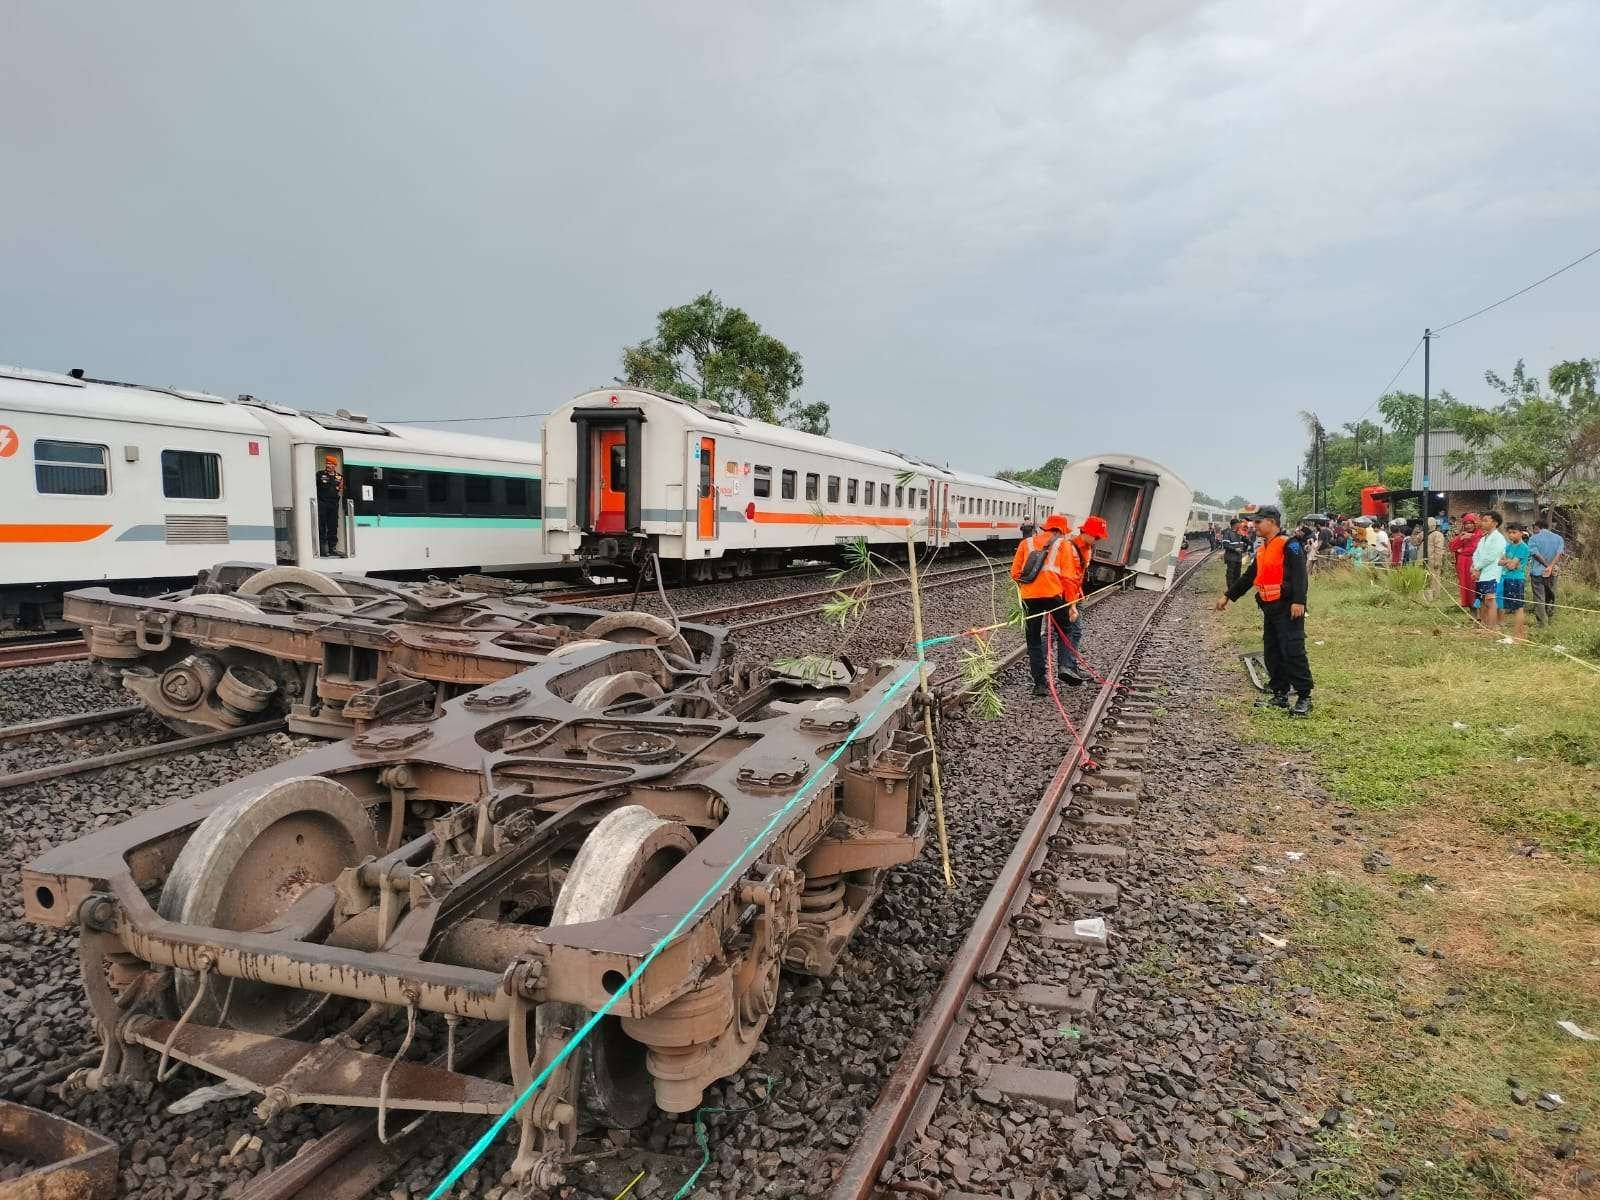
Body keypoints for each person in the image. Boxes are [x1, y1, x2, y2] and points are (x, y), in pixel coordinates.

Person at [1216, 505, 1313, 716]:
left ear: (1272, 522)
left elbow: (1300, 574)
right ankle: (1280, 694)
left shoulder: (1290, 544)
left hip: (1288, 608)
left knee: (1293, 651)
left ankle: (1304, 696)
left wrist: (1299, 601)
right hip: (1270, 608)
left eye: (1258, 522)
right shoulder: (1262, 549)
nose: (1254, 525)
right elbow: (1249, 577)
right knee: (1272, 651)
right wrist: (1228, 596)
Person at [1010, 514, 1078, 696]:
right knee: (1065, 630)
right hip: (1053, 596)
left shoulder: (1026, 543)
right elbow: (1069, 578)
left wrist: (1029, 587)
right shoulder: (1064, 544)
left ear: (1046, 528)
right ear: (1061, 531)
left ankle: (1040, 684)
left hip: (1029, 598)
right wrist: (1071, 605)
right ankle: (1065, 666)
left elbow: (1015, 573)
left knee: (1033, 639)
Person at [1059, 515, 1108, 669]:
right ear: (1086, 532)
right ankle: (1062, 667)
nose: (1097, 540)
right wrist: (1072, 604)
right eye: (1096, 537)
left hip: (1075, 594)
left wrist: (1079, 595)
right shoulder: (1069, 547)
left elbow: (1079, 576)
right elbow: (1068, 577)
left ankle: (1070, 667)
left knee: (1075, 632)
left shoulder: (1088, 549)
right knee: (1059, 633)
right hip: (1065, 595)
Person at [1470, 510, 1507, 629]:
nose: (1483, 523)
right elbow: (1476, 554)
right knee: (1482, 600)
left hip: (1491, 573)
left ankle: (1491, 627)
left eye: (1486, 521)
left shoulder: (1498, 538)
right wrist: (1474, 568)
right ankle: (1484, 625)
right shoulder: (1483, 538)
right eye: (1482, 520)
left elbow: (1491, 557)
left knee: (1490, 600)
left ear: (1495, 523)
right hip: (1481, 573)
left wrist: (1477, 568)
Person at [1527, 519, 1565, 625]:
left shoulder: (1533, 538)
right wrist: (1551, 567)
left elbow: (1536, 554)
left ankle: (1542, 623)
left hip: (1538, 573)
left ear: (1537, 527)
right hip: (1553, 572)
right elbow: (1559, 554)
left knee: (1539, 597)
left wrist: (1547, 566)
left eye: (1534, 528)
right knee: (1551, 594)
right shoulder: (1558, 538)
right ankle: (1550, 616)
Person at [1499, 523, 1531, 641]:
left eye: (1514, 532)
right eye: (1509, 533)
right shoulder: (1508, 546)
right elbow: (1499, 561)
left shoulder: (1523, 547)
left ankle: (1519, 635)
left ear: (1521, 533)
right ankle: (1516, 633)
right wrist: (1509, 562)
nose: (1511, 535)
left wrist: (1508, 562)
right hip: (1506, 577)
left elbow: (1511, 566)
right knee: (1509, 607)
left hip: (1516, 579)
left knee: (1518, 607)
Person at [1449, 514, 1481, 609]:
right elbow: (1452, 547)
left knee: (1475, 585)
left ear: (1475, 523)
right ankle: (1470, 607)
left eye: (1470, 523)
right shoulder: (1462, 534)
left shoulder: (1480, 534)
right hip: (1463, 564)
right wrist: (1460, 538)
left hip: (1475, 563)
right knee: (1465, 585)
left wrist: (1471, 538)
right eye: (1466, 523)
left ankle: (1478, 609)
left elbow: (1476, 548)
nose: (1468, 526)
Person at [315, 456, 345, 556]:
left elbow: (341, 489)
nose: (328, 465)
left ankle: (332, 548)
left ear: (334, 465)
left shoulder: (339, 477)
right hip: (322, 504)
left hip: (333, 505)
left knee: (333, 526)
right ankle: (323, 549)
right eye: (327, 463)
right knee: (322, 526)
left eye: (330, 464)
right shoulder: (320, 474)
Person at [1220, 518, 1250, 591]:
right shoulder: (1228, 533)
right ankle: (1230, 589)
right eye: (1239, 524)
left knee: (1237, 574)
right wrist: (1235, 549)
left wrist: (1244, 537)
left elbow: (1246, 543)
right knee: (1231, 574)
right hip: (1231, 558)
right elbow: (1225, 544)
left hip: (1238, 558)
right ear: (1234, 525)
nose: (1240, 525)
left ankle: (1236, 588)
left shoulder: (1239, 533)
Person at [1424, 517, 1448, 599]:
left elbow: (1439, 549)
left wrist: (1437, 561)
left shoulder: (1437, 534)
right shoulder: (1424, 534)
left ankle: (1435, 596)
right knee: (1426, 578)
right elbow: (1415, 542)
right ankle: (1426, 595)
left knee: (1434, 579)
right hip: (1424, 560)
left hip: (1433, 560)